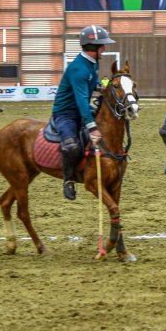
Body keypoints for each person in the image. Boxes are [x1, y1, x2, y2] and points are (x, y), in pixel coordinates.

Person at [51, 25, 115, 200]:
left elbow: (91, 82)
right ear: (93, 47)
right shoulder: (79, 68)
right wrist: (92, 127)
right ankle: (68, 179)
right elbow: (81, 101)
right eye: (102, 45)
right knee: (71, 147)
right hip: (66, 113)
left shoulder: (92, 63)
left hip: (81, 109)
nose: (104, 48)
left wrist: (100, 87)